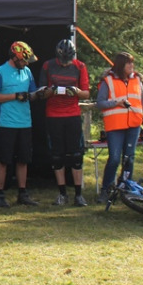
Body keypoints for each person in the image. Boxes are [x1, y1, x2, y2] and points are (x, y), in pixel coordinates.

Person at [0, 41, 41, 208]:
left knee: (23, 160)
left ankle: (22, 193)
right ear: (15, 57)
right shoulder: (0, 72)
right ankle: (0, 194)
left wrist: (42, 93)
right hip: (7, 123)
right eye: (24, 60)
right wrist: (14, 96)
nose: (26, 64)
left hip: (25, 122)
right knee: (3, 160)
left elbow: (31, 94)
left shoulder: (27, 71)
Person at [39, 38, 91, 206]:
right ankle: (62, 193)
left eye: (68, 61)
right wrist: (51, 91)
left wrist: (75, 91)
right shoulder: (48, 66)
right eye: (63, 61)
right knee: (57, 155)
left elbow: (86, 93)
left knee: (76, 155)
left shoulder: (80, 67)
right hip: (53, 115)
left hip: (72, 114)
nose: (65, 64)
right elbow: (40, 92)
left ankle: (78, 194)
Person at [96, 51, 143, 202]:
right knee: (114, 158)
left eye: (132, 62)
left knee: (129, 158)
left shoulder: (137, 80)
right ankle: (106, 188)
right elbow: (100, 102)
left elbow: (142, 101)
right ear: (120, 65)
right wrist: (116, 103)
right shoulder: (108, 81)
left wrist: (138, 115)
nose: (132, 65)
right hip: (115, 126)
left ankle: (125, 186)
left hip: (134, 124)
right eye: (128, 63)